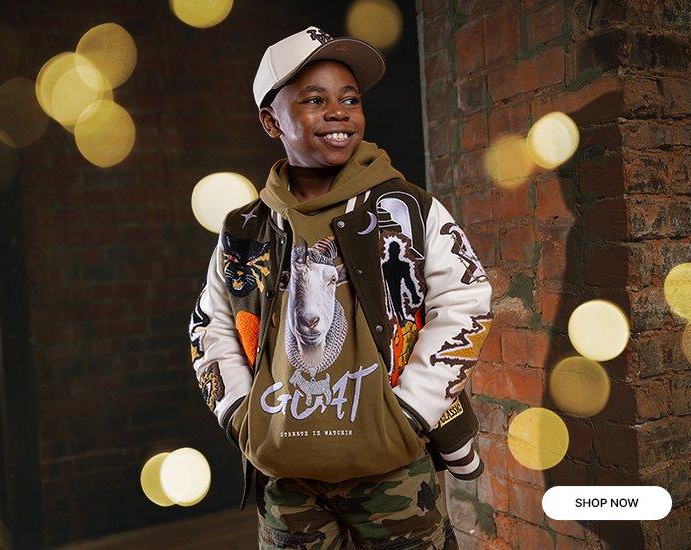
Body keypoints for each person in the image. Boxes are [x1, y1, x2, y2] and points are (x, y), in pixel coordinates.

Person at [189, 26, 493, 549]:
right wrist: (242, 415)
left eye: (350, 99)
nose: (339, 112)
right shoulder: (245, 229)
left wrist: (414, 410)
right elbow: (211, 325)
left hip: (391, 466)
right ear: (271, 121)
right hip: (287, 474)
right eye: (314, 99)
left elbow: (467, 300)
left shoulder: (409, 210)